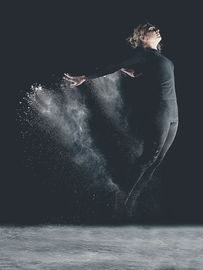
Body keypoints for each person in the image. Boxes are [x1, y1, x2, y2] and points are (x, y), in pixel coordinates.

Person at [64, 23, 178, 218]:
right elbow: (111, 66)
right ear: (143, 37)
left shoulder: (154, 58)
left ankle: (130, 203)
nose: (157, 29)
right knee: (149, 157)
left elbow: (143, 73)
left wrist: (131, 72)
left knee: (156, 161)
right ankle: (121, 201)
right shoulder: (142, 54)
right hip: (160, 112)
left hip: (174, 114)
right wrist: (85, 77)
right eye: (152, 29)